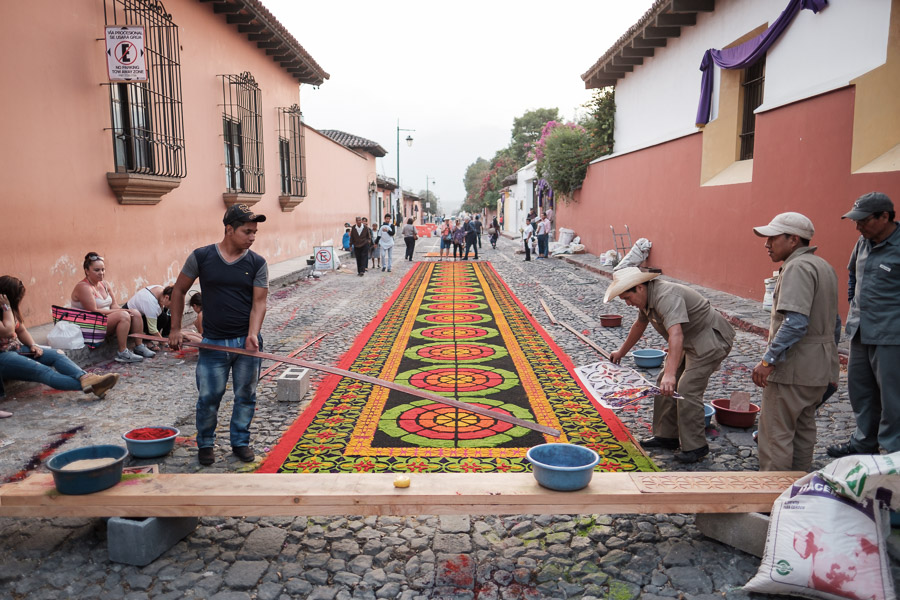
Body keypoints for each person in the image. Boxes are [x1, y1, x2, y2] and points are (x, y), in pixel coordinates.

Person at [167, 203, 269, 466]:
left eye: (254, 232)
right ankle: (206, 444)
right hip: (212, 343)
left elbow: (259, 302)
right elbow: (178, 291)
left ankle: (240, 442)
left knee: (246, 395)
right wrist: (176, 328)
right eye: (247, 231)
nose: (253, 236)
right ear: (229, 229)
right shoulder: (201, 257)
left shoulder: (257, 263)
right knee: (209, 397)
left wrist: (253, 334)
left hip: (246, 345)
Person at [606, 267, 735, 463]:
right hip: (688, 341)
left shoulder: (666, 296)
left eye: (627, 298)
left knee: (686, 388)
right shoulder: (646, 299)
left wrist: (671, 374)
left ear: (639, 288)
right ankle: (666, 436)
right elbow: (639, 325)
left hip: (709, 340)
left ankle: (696, 447)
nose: (628, 303)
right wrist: (621, 352)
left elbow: (676, 334)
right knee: (662, 384)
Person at [750, 213, 840, 472]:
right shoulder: (823, 266)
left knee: (776, 435)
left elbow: (795, 323)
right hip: (818, 367)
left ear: (793, 239)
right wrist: (829, 361)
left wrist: (768, 360)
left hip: (793, 368)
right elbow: (834, 322)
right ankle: (796, 495)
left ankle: (773, 500)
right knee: (803, 432)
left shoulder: (796, 268)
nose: (767, 244)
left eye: (773, 238)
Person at [828, 192, 900, 459]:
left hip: (891, 336)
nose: (858, 226)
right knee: (861, 391)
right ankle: (863, 443)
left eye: (864, 220)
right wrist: (854, 306)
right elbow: (852, 277)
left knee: (893, 399)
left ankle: (893, 453)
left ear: (884, 217)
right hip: (860, 331)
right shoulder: (862, 242)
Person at [0, 276, 119, 401]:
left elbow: (21, 330)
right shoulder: (6, 309)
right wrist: (6, 307)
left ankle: (86, 377)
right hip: (3, 356)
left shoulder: (9, 311)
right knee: (43, 372)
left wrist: (33, 345)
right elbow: (8, 331)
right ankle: (95, 385)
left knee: (57, 354)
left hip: (16, 349)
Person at [71, 252, 153, 363]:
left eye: (103, 270)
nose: (101, 273)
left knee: (135, 313)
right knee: (123, 315)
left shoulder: (104, 284)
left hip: (104, 319)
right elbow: (93, 311)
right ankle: (122, 352)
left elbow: (114, 305)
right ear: (87, 271)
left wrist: (124, 310)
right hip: (89, 324)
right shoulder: (83, 287)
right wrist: (122, 312)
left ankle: (139, 346)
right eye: (97, 270)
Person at [123, 285, 173, 350]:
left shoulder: (161, 290)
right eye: (172, 304)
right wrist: (164, 343)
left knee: (164, 317)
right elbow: (152, 329)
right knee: (162, 318)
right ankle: (146, 341)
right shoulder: (151, 303)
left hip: (140, 313)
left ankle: (161, 337)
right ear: (166, 297)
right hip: (131, 318)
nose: (172, 306)